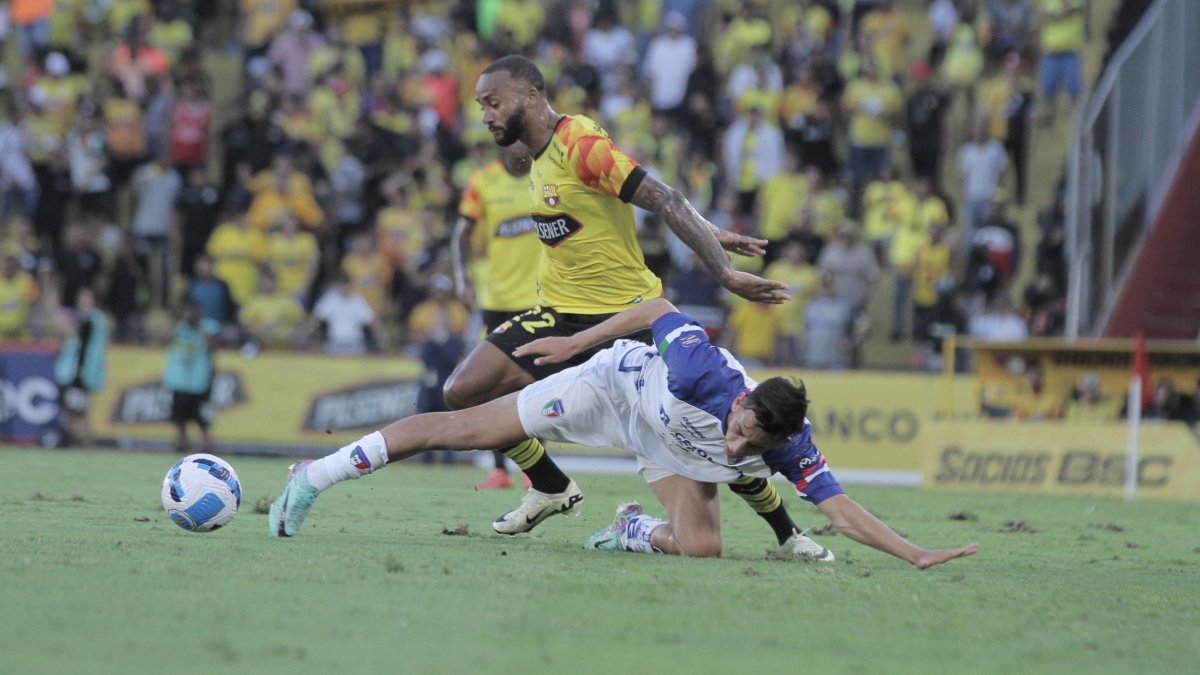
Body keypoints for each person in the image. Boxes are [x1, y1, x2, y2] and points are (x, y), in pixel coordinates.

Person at [267, 298, 979, 570]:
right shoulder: (702, 369)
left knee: (702, 546)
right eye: (740, 429)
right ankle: (317, 475)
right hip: (607, 389)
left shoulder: (786, 442)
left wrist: (913, 552)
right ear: (740, 403)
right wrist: (576, 341)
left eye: (752, 445)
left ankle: (630, 526)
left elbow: (841, 506)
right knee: (456, 425)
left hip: (668, 443)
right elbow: (654, 305)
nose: (739, 446)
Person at [439, 55, 806, 551]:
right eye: (481, 105)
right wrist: (711, 230)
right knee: (463, 391)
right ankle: (550, 486)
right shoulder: (533, 156)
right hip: (562, 315)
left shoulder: (581, 146)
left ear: (528, 96)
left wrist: (722, 270)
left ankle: (788, 533)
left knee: (708, 431)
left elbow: (665, 197)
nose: (485, 116)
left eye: (493, 103)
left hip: (630, 316)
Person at [451, 142, 541, 489]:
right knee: (489, 385)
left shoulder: (544, 176)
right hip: (498, 297)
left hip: (539, 298)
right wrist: (463, 280)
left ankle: (535, 472)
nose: (520, 145)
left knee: (536, 384)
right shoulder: (483, 181)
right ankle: (499, 469)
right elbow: (461, 233)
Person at [53, 288, 107, 447]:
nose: (83, 299)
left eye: (87, 296)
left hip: (80, 371)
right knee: (72, 409)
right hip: (73, 370)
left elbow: (79, 332)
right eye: (81, 296)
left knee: (78, 410)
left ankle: (85, 440)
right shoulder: (87, 318)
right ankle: (70, 439)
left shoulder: (94, 319)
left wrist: (56, 310)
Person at [163, 300, 220, 452]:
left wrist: (199, 326)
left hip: (199, 380)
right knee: (179, 417)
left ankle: (207, 445)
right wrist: (178, 323)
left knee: (203, 418)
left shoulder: (208, 326)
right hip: (179, 380)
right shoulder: (178, 327)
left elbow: (213, 346)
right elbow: (165, 340)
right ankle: (181, 444)